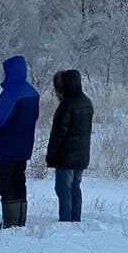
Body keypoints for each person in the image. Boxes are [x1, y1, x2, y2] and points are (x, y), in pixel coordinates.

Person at [0, 55, 40, 229]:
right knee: (19, 179)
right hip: (24, 145)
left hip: (6, 146)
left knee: (5, 182)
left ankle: (9, 221)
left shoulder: (11, 93)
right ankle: (20, 220)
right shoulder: (32, 92)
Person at [46, 69, 93, 222]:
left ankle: (65, 220)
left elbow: (58, 133)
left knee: (63, 189)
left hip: (66, 156)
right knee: (75, 187)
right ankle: (75, 219)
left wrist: (51, 154)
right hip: (82, 155)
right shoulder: (87, 102)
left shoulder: (66, 105)